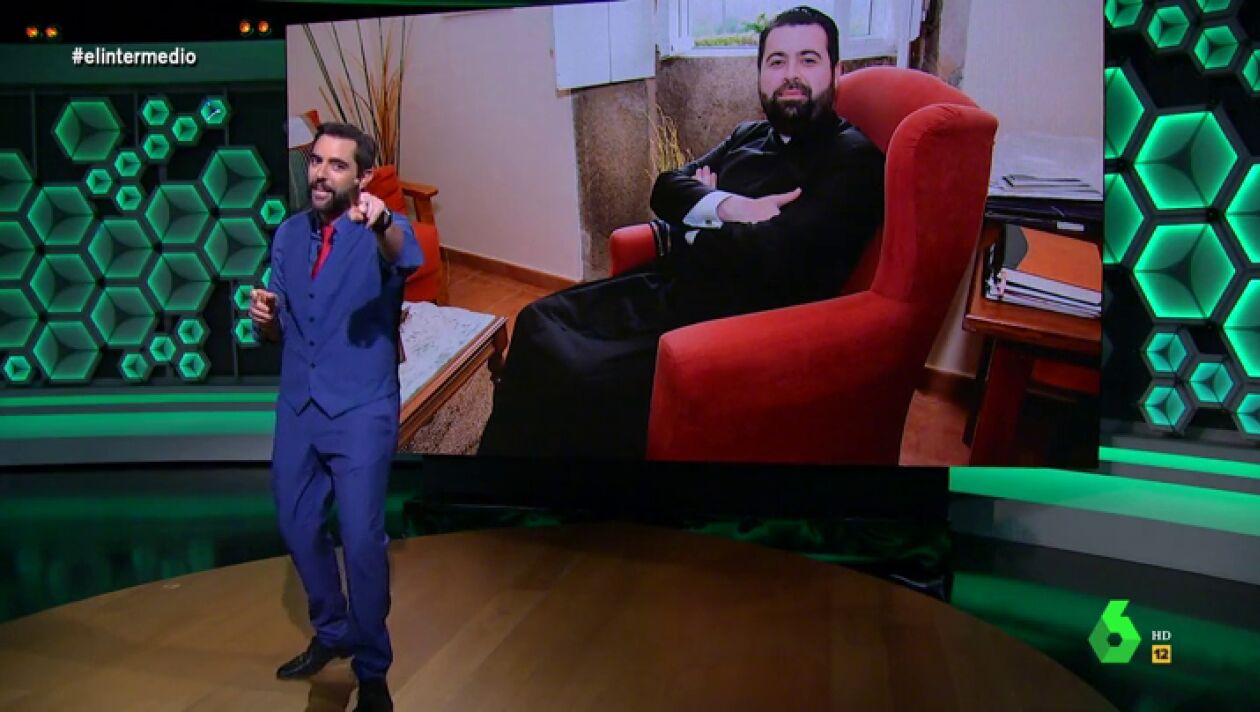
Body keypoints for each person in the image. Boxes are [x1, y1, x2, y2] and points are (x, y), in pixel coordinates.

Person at [477, 6, 885, 459]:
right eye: (777, 61)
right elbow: (666, 187)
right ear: (760, 74)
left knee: (581, 374)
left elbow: (772, 255)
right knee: (538, 319)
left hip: (733, 327)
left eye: (808, 59)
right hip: (675, 284)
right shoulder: (748, 134)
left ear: (836, 72)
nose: (791, 74)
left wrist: (691, 225)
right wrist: (731, 206)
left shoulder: (853, 159)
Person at [250, 121, 422, 712]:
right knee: (297, 523)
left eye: (337, 165)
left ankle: (372, 669)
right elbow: (281, 326)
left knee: (362, 539)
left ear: (364, 177)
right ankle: (333, 631)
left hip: (361, 407)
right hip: (300, 403)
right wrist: (264, 319)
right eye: (316, 161)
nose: (321, 174)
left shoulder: (382, 230)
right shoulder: (287, 234)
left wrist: (380, 220)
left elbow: (404, 252)